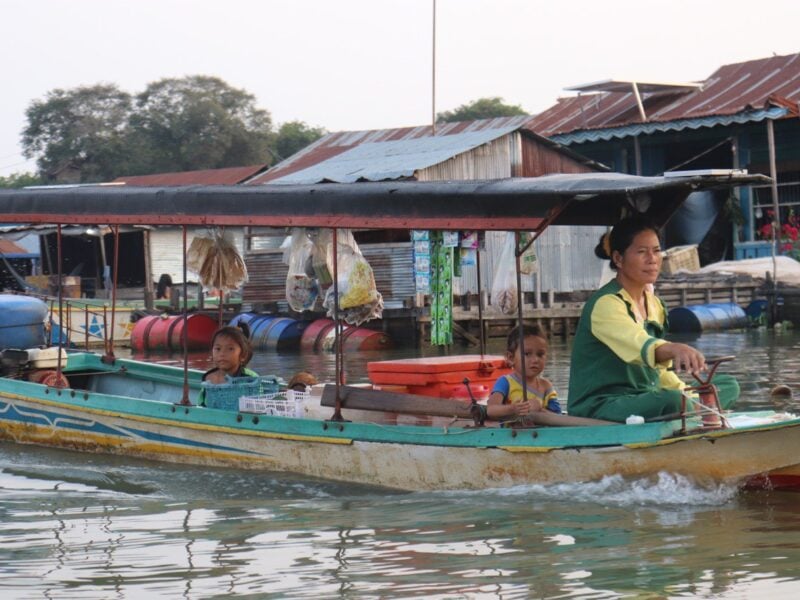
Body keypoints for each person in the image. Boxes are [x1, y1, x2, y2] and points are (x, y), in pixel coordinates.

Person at [568, 215, 739, 422]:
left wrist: (686, 391)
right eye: (642, 252)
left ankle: (695, 408)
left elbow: (659, 372)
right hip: (603, 403)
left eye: (656, 251)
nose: (652, 259)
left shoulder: (655, 304)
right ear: (618, 258)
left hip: (644, 396)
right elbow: (639, 344)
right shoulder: (606, 304)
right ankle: (697, 410)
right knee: (673, 401)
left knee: (728, 385)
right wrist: (676, 349)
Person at [486, 324, 561, 424]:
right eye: (527, 354)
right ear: (511, 358)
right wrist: (514, 409)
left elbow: (559, 417)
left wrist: (540, 410)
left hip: (542, 437)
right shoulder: (505, 382)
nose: (535, 360)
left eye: (540, 354)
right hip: (511, 436)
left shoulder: (546, 386)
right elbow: (491, 410)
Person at [198, 325, 257, 406]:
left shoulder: (250, 378)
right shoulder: (207, 377)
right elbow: (201, 404)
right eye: (218, 349)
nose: (222, 354)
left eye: (230, 349)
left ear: (243, 355)